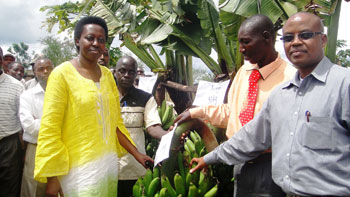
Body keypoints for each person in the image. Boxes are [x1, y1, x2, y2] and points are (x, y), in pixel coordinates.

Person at [190, 12, 350, 196]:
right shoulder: (281, 94)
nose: (296, 42)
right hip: (268, 179)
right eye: (288, 38)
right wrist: (209, 158)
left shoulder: (343, 85)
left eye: (305, 35)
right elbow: (250, 137)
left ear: (322, 40)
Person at [175, 14, 296, 196]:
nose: (240, 49)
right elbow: (232, 113)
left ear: (266, 38)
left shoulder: (290, 78)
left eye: (246, 42)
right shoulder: (245, 72)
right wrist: (195, 113)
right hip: (239, 163)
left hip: (271, 164)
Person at [34, 16, 153, 197]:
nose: (96, 43)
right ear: (77, 40)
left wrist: (137, 154)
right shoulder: (61, 75)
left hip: (106, 167)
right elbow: (50, 128)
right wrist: (52, 177)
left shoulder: (107, 76)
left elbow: (114, 124)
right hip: (76, 169)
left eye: (101, 40)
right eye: (90, 38)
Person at [115, 56, 167, 197]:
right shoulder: (106, 95)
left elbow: (152, 126)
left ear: (136, 74)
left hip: (134, 165)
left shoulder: (145, 98)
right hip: (108, 166)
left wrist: (168, 135)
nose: (126, 75)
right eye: (122, 71)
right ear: (115, 72)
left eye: (131, 72)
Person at [19, 57, 54, 197]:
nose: (45, 72)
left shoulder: (65, 93)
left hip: (60, 147)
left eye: (49, 68)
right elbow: (29, 127)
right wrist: (54, 123)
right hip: (36, 148)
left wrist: (39, 121)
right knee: (34, 189)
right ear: (34, 72)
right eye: (41, 69)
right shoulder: (27, 96)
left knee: (59, 187)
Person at [0, 47, 25, 197]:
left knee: (9, 187)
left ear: (2, 61)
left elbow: (23, 120)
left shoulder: (16, 86)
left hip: (8, 146)